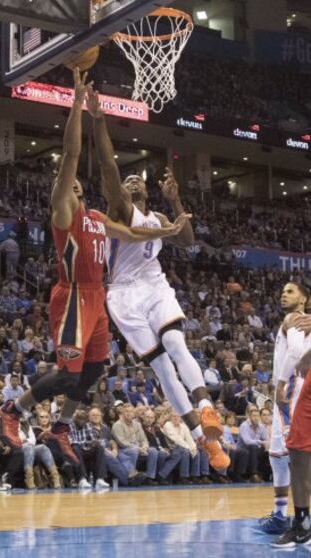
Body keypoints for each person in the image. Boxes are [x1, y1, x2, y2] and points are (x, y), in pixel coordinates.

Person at [0, 68, 189, 458]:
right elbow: (72, 154)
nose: (73, 183)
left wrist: (166, 233)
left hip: (97, 296)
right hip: (71, 298)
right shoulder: (64, 212)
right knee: (68, 373)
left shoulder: (97, 218)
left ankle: (61, 427)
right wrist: (77, 107)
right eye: (67, 182)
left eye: (76, 183)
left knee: (95, 370)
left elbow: (132, 234)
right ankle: (13, 410)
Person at [87, 87, 230, 472]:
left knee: (174, 342)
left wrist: (176, 200)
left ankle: (205, 409)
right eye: (128, 178)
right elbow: (107, 166)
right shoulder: (122, 209)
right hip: (122, 296)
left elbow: (187, 239)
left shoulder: (159, 218)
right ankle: (204, 442)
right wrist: (99, 120)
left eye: (138, 179)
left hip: (155, 287)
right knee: (163, 370)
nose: (132, 181)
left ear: (147, 189)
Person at [258, 283, 311, 535]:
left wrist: (281, 382)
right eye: (282, 291)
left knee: (287, 455)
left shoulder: (293, 318)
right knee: (281, 454)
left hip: (291, 390)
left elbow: (297, 351)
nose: (283, 294)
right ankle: (284, 514)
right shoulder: (305, 321)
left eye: (290, 291)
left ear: (304, 298)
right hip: (301, 388)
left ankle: (285, 516)